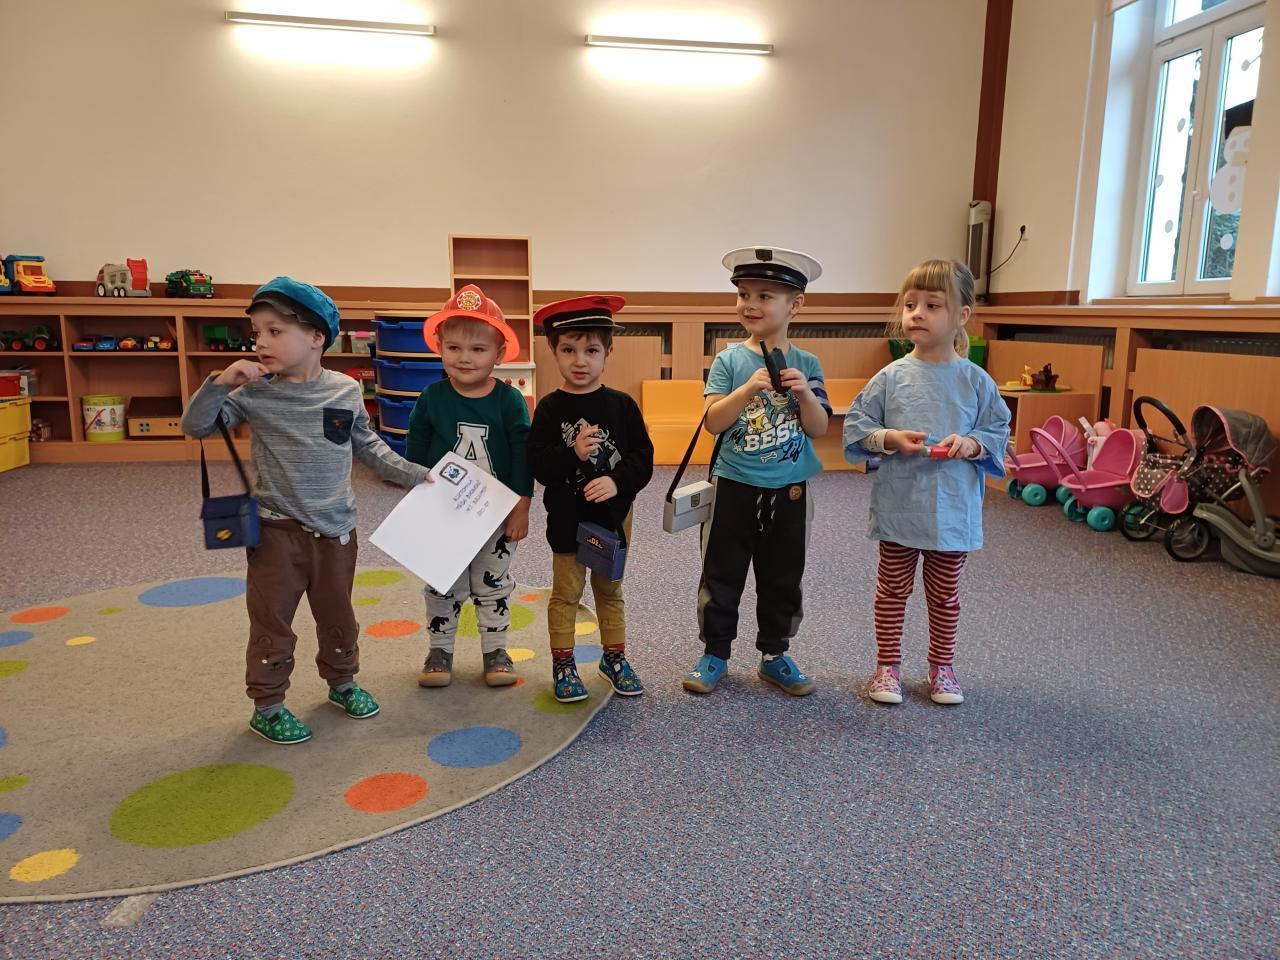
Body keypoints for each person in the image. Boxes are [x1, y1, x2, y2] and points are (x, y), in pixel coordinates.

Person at [181, 276, 431, 744]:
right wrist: (221, 382)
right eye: (257, 333)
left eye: (275, 331)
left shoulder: (345, 390)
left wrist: (416, 475)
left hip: (336, 532)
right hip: (276, 534)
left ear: (317, 337)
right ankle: (268, 705)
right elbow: (196, 426)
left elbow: (368, 446)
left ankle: (342, 682)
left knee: (339, 617)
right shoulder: (254, 393)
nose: (260, 342)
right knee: (272, 622)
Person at [842, 258, 1010, 705]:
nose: (916, 313)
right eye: (910, 304)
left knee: (945, 594)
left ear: (962, 315)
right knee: (892, 590)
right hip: (902, 504)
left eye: (932, 305)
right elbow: (857, 426)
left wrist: (971, 444)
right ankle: (887, 666)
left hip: (952, 510)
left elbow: (997, 429)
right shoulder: (891, 377)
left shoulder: (975, 380)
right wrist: (890, 439)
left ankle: (942, 667)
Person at [682, 247, 831, 697]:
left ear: (795, 304)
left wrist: (805, 395)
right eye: (744, 294)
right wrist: (746, 390)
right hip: (734, 485)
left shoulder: (808, 363)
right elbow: (713, 421)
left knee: (783, 575)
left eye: (765, 296)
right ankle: (715, 653)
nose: (749, 304)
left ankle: (775, 654)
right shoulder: (729, 361)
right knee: (721, 572)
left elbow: (819, 428)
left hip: (789, 490)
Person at [527, 295, 654, 703]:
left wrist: (617, 481)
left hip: (612, 518)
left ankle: (613, 658)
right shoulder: (549, 409)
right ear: (553, 351)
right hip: (568, 521)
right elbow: (539, 466)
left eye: (592, 351)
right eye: (568, 350)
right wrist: (573, 453)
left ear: (608, 353)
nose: (580, 361)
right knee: (566, 593)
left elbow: (643, 458)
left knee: (609, 590)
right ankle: (563, 663)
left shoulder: (622, 406)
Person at [407, 284, 533, 689]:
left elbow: (523, 454)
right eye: (454, 347)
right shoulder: (431, 397)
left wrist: (522, 506)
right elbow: (415, 454)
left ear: (499, 354)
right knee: (441, 583)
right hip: (444, 513)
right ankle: (439, 651)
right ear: (439, 347)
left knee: (492, 584)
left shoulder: (509, 401)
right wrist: (417, 504)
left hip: (495, 515)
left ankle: (496, 651)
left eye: (478, 349)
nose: (464, 357)